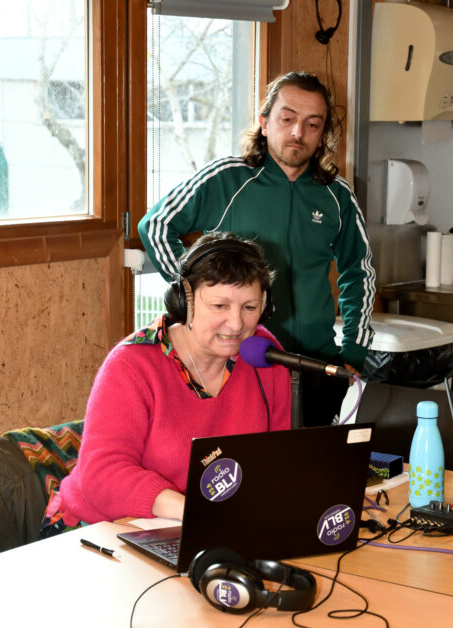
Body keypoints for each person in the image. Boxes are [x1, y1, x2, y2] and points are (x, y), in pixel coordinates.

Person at [138, 71, 375, 428]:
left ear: (322, 134)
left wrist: (353, 349)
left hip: (314, 363)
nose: (298, 133)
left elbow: (360, 272)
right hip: (242, 357)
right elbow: (154, 226)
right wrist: (194, 295)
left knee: (310, 471)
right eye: (287, 119)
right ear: (264, 123)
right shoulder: (227, 178)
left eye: (313, 124)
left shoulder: (337, 196)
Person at [40, 233, 291, 534]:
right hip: (99, 526)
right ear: (185, 301)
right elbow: (101, 474)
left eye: (249, 308)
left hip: (210, 525)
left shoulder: (264, 354)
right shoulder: (132, 364)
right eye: (220, 306)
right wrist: (194, 511)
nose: (237, 324)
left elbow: (280, 456)